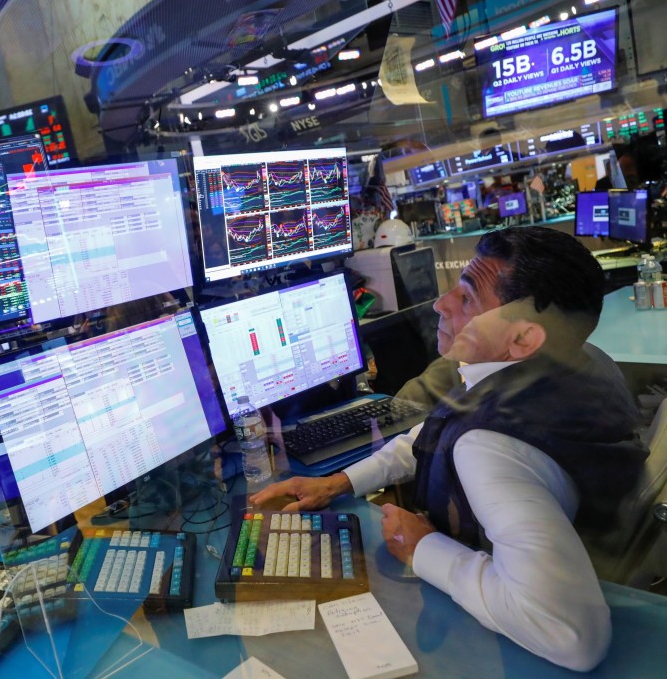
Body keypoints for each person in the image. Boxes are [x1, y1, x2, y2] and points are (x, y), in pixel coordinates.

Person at [252, 226, 648, 671]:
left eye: (467, 298)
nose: (441, 304)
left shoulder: (490, 450)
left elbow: (572, 637)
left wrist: (423, 549)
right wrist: (339, 482)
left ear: (522, 339)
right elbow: (434, 431)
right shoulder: (579, 360)